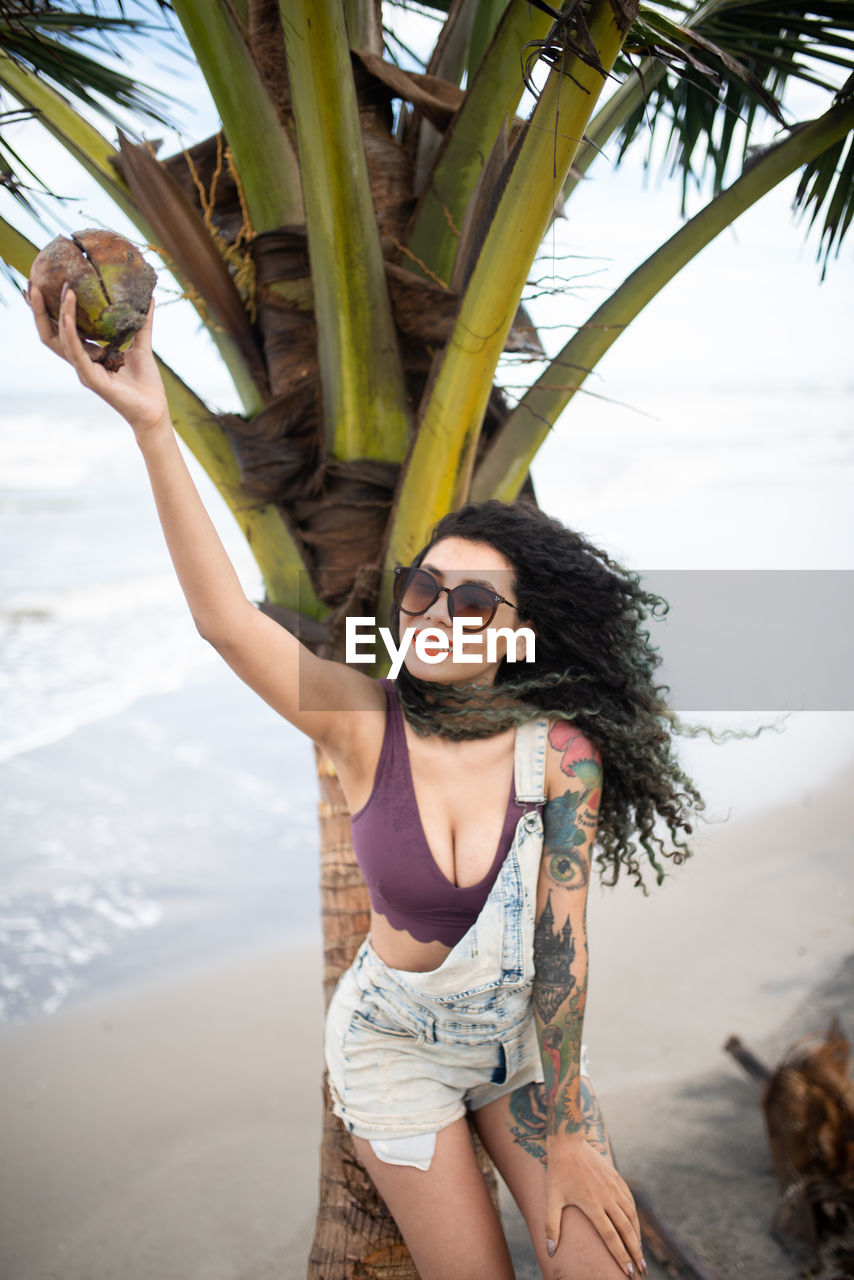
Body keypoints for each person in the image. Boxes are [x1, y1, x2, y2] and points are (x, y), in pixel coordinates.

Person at [30, 285, 706, 1280]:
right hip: (398, 1048)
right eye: (421, 586)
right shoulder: (361, 723)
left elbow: (562, 949)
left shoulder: (558, 754)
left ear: (518, 632)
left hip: (518, 1043)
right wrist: (150, 424)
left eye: (471, 599)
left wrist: (568, 1127)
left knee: (602, 1269)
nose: (435, 609)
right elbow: (226, 620)